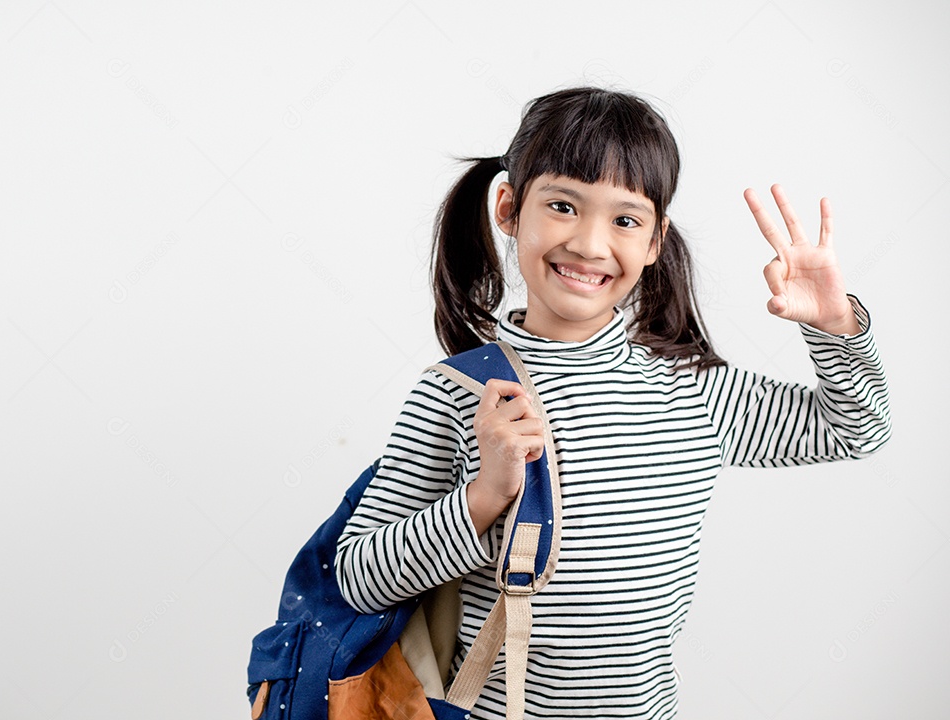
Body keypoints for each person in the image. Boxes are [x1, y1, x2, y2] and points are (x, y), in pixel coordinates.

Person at [332, 86, 891, 719]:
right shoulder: (457, 392)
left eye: (625, 219)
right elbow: (357, 578)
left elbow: (859, 429)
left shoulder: (696, 390)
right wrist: (483, 496)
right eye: (564, 205)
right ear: (510, 209)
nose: (592, 245)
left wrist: (834, 325)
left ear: (656, 240)